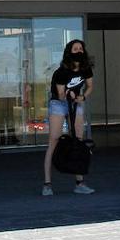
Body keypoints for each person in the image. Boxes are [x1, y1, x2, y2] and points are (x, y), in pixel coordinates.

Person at [42, 39, 95, 196]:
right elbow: (59, 94)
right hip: (59, 104)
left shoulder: (85, 69)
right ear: (69, 51)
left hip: (75, 103)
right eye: (75, 48)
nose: (78, 51)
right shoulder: (61, 72)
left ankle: (80, 183)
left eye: (80, 48)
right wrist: (69, 94)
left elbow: (90, 85)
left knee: (77, 141)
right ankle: (47, 184)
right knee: (54, 140)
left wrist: (82, 97)